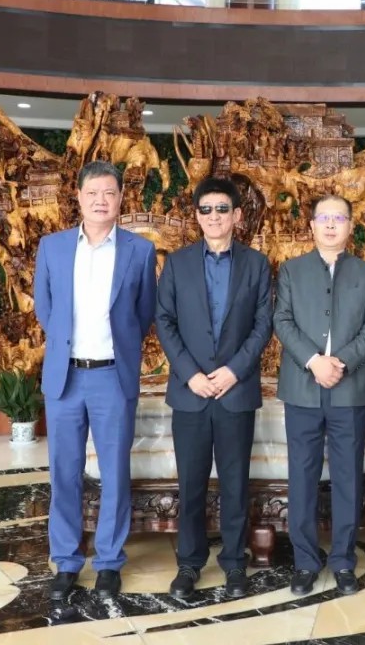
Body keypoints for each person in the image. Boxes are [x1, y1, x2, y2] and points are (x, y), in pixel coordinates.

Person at [33, 160, 158, 602]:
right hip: (65, 377)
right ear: (79, 197)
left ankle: (108, 562)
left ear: (121, 198)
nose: (100, 200)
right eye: (92, 193)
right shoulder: (52, 247)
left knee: (115, 473)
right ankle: (67, 561)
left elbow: (143, 314)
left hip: (112, 376)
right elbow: (45, 309)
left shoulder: (140, 251)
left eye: (109, 193)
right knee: (64, 473)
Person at [155, 177, 273, 600]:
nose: (214, 216)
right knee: (191, 484)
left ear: (237, 215)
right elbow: (164, 320)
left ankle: (235, 562)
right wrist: (190, 373)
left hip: (234, 392)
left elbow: (263, 325)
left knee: (235, 483)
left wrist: (234, 371)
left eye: (222, 209)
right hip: (190, 392)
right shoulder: (178, 264)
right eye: (205, 209)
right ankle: (189, 563)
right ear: (197, 215)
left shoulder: (256, 264)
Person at [273, 195, 365, 597]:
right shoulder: (292, 270)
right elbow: (282, 320)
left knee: (347, 478)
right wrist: (314, 361)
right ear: (312, 226)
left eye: (339, 218)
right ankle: (305, 562)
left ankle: (343, 561)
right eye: (324, 218)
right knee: (301, 477)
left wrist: (342, 362)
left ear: (351, 225)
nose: (331, 224)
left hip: (348, 389)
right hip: (302, 388)